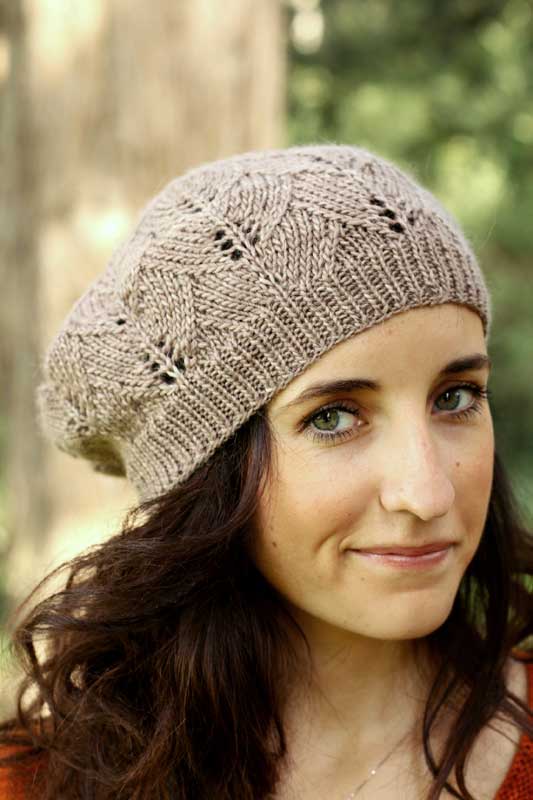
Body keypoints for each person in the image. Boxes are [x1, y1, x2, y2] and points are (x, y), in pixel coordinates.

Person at [0, 143, 532, 800]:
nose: (427, 493)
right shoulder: (41, 783)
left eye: (455, 397)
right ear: (206, 476)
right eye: (334, 416)